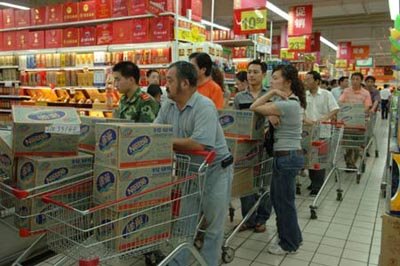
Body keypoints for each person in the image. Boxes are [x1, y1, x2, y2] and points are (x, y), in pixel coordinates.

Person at [155, 61, 233, 266]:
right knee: (184, 222)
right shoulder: (168, 105)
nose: (166, 84)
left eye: (170, 80)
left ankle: (209, 263)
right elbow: (154, 132)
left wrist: (165, 140)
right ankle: (177, 262)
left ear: (185, 83)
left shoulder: (204, 106)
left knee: (213, 225)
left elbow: (200, 143)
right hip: (190, 170)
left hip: (216, 170)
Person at [250, 64, 306, 255]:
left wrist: (272, 92)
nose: (271, 81)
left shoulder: (288, 104)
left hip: (286, 156)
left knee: (283, 203)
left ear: (287, 82)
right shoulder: (291, 102)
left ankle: (288, 244)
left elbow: (254, 106)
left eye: (275, 78)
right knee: (282, 200)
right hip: (288, 156)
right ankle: (294, 238)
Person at [233, 59, 271, 233]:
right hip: (246, 146)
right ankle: (248, 218)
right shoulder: (240, 97)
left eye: (256, 72)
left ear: (263, 74)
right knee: (245, 181)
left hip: (266, 144)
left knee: (264, 182)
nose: (251, 75)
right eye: (249, 72)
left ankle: (261, 219)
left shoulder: (271, 95)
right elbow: (234, 119)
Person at [303, 71, 339, 196]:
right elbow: (300, 110)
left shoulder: (326, 94)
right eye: (305, 79)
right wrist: (306, 120)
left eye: (308, 79)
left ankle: (317, 186)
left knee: (319, 159)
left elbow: (335, 109)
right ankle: (313, 182)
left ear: (317, 81)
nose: (306, 82)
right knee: (309, 158)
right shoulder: (303, 95)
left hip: (323, 131)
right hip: (307, 131)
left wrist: (324, 119)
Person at [339, 72, 372, 169]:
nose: (354, 81)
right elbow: (341, 102)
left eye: (357, 79)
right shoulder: (346, 91)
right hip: (347, 123)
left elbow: (367, 106)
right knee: (348, 144)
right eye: (353, 79)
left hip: (359, 123)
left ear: (361, 81)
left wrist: (358, 112)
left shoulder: (365, 93)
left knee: (357, 145)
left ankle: (352, 162)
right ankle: (349, 163)